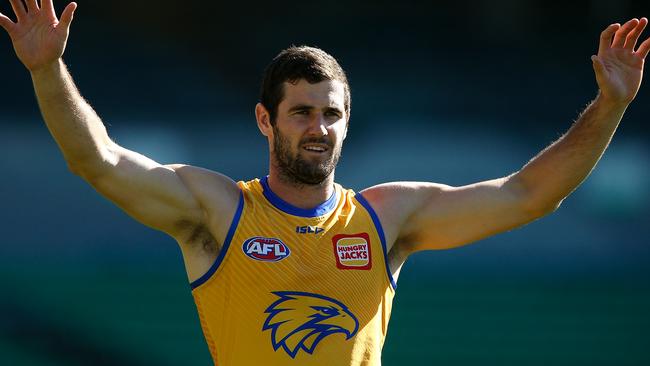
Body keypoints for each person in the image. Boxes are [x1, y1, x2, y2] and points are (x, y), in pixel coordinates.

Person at [1, 0, 649, 365]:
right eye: (302, 112)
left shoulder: (387, 217)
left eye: (331, 113)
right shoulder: (217, 209)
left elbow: (531, 194)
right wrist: (47, 70)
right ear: (265, 119)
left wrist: (611, 106)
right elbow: (99, 161)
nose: (319, 128)